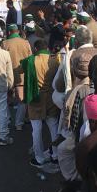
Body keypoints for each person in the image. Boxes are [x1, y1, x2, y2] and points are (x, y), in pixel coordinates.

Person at [22, 38, 60, 168]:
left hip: (36, 98)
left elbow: (21, 68)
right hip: (51, 97)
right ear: (47, 48)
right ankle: (55, 156)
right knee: (53, 126)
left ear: (36, 49)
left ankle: (39, 158)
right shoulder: (56, 60)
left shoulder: (30, 61)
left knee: (36, 129)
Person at [2, 23, 31, 131]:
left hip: (7, 74)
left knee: (5, 99)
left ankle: (8, 120)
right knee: (22, 100)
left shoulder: (4, 43)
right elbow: (30, 59)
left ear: (9, 32)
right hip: (22, 75)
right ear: (18, 31)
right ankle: (19, 123)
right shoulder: (26, 43)